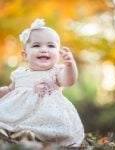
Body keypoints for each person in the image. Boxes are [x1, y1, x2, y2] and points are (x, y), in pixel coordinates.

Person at [0, 19, 84, 147]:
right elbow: (10, 90)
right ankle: (7, 133)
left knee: (46, 131)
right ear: (25, 55)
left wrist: (70, 65)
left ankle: (31, 137)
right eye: (36, 45)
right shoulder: (20, 74)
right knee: (4, 121)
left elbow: (69, 81)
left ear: (58, 52)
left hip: (47, 116)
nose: (44, 50)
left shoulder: (55, 72)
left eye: (51, 46)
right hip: (18, 114)